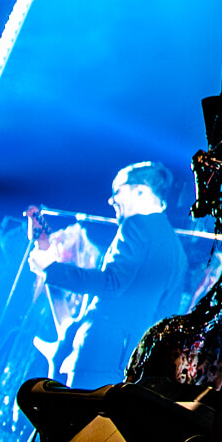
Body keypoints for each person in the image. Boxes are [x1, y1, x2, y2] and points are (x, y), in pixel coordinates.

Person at [30, 160, 188, 385]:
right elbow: (166, 316)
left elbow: (112, 283)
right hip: (129, 365)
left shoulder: (135, 225)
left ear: (141, 190)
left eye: (117, 191)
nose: (111, 200)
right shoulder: (178, 250)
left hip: (98, 354)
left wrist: (51, 268)